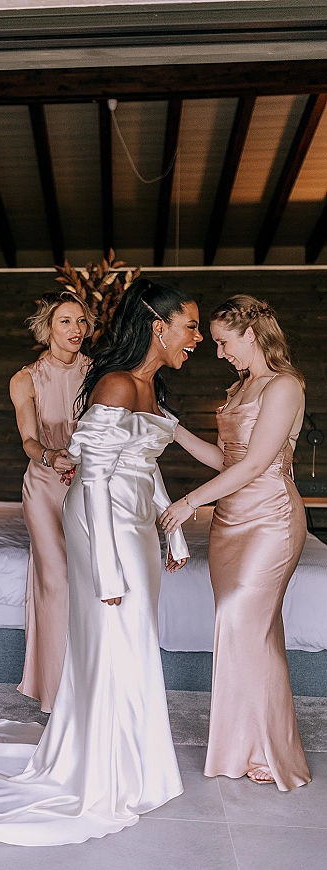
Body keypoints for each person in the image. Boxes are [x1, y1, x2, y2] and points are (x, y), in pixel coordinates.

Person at [0, 278, 199, 846]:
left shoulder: (149, 386)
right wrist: (103, 569)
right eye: (190, 325)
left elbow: (146, 465)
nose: (195, 336)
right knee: (111, 628)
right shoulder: (115, 385)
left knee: (136, 637)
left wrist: (172, 529)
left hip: (136, 523)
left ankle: (137, 760)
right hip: (100, 522)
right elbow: (93, 479)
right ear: (158, 325)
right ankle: (100, 765)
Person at [160, 294, 311, 791]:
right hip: (231, 522)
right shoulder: (240, 386)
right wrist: (174, 429)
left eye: (224, 342)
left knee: (243, 621)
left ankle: (270, 749)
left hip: (270, 520)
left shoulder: (284, 386)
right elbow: (226, 459)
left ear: (252, 334)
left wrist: (187, 504)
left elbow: (254, 466)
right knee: (246, 632)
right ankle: (245, 746)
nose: (219, 351)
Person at [10, 289, 94, 712]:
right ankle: (57, 692)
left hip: (89, 483)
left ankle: (91, 682)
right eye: (66, 321)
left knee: (90, 580)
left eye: (81, 321)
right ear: (47, 327)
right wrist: (49, 456)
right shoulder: (25, 378)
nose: (76, 329)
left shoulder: (100, 373)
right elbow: (28, 437)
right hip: (44, 485)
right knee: (56, 581)